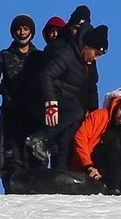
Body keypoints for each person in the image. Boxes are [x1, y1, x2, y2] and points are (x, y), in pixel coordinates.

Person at [26, 23, 108, 170]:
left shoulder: (84, 64)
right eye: (96, 53)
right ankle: (39, 138)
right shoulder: (67, 54)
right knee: (76, 111)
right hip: (42, 99)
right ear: (87, 46)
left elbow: (89, 89)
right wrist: (51, 103)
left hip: (63, 104)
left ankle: (59, 173)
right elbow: (46, 76)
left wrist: (92, 112)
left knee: (67, 136)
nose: (96, 58)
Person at [0, 14, 43, 192]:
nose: (22, 32)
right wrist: (4, 89)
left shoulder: (39, 57)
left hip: (34, 115)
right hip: (11, 114)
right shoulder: (4, 55)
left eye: (25, 29)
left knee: (35, 158)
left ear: (31, 32)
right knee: (13, 159)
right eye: (18, 29)